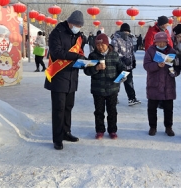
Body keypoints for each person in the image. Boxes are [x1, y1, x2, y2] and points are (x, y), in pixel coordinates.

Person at [44, 10, 87, 150]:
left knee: (68, 107)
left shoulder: (78, 36)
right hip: (58, 77)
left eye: (80, 26)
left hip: (72, 77)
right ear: (69, 22)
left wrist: (84, 61)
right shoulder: (57, 33)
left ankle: (66, 132)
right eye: (76, 25)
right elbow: (56, 52)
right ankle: (57, 138)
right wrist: (75, 57)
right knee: (59, 109)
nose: (77, 28)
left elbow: (79, 52)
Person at [84, 33, 125, 140]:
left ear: (107, 44)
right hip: (98, 89)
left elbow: (121, 67)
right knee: (99, 111)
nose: (100, 47)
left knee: (112, 111)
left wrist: (123, 75)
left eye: (102, 45)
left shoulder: (114, 55)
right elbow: (87, 71)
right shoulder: (92, 56)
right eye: (97, 45)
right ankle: (100, 130)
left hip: (112, 88)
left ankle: (112, 130)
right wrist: (96, 68)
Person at [143, 32, 181, 137]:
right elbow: (146, 65)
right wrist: (157, 65)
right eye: (158, 42)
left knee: (169, 108)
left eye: (162, 42)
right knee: (152, 108)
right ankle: (152, 127)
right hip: (154, 84)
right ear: (155, 42)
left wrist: (174, 72)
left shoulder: (172, 52)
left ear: (166, 42)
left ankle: (168, 127)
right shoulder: (150, 51)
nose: (160, 44)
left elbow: (177, 67)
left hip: (168, 85)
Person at [111, 23, 141, 106]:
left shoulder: (129, 40)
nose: (126, 33)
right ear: (121, 31)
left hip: (128, 66)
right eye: (124, 31)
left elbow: (131, 52)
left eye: (127, 31)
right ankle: (114, 97)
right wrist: (123, 58)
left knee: (129, 82)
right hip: (119, 66)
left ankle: (132, 98)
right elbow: (114, 53)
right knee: (117, 82)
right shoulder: (115, 40)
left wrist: (133, 61)